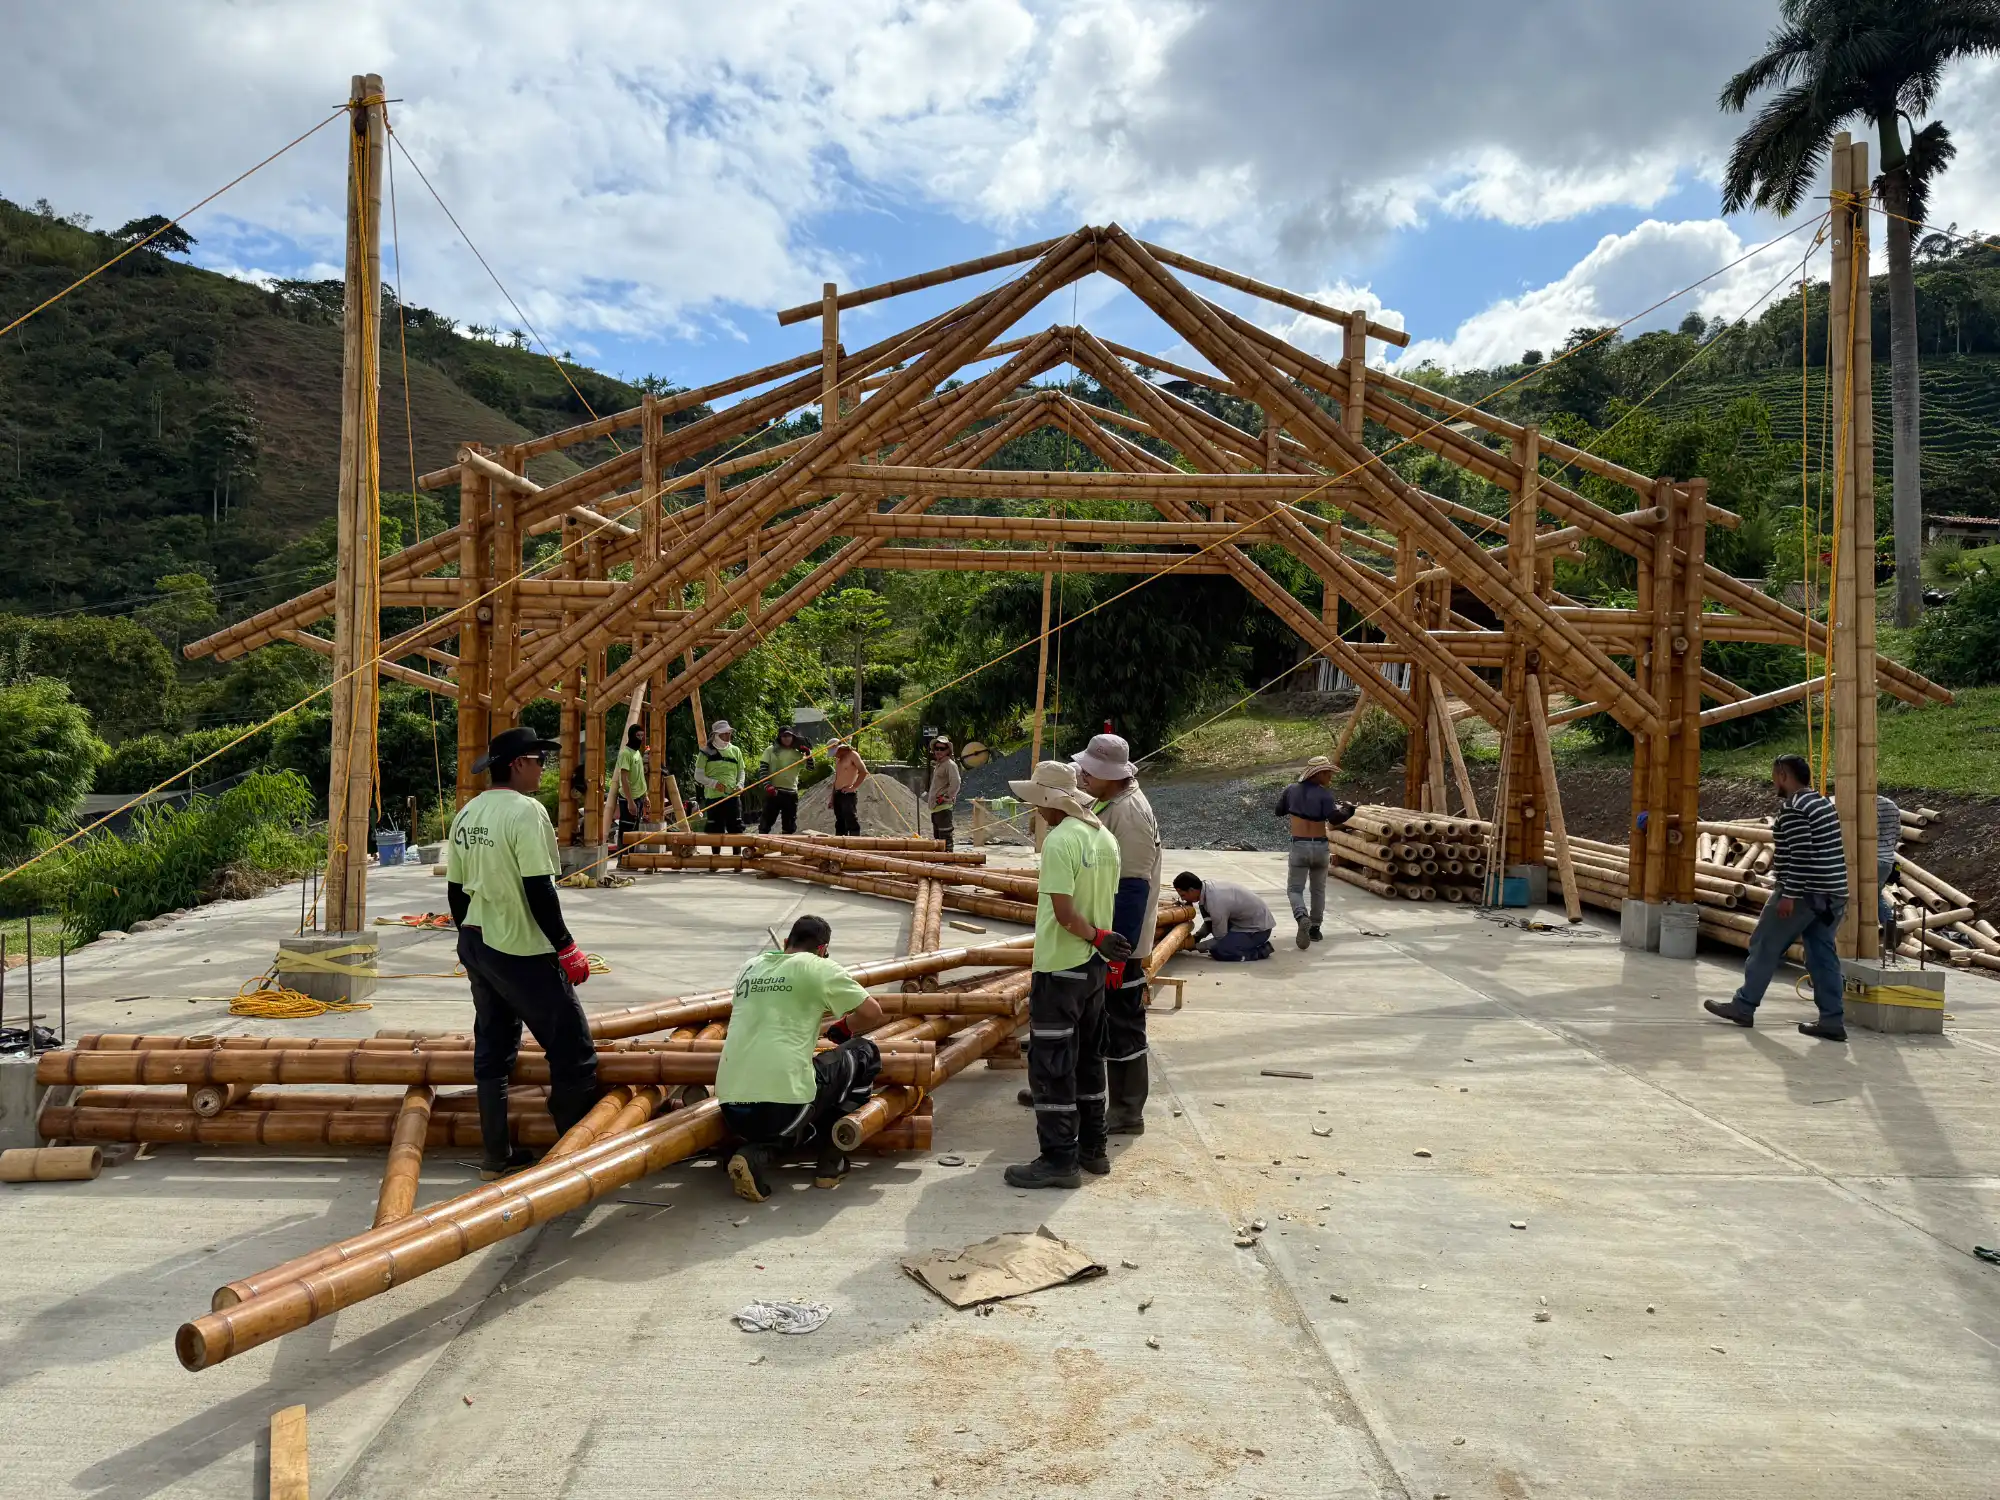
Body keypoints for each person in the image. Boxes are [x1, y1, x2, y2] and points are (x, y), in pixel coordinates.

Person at [446, 726, 600, 1179]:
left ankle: (497, 1156)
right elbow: (538, 888)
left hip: (477, 941)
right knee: (573, 1052)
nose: (542, 769)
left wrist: (468, 941)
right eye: (539, 760)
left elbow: (455, 891)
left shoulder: (468, 814)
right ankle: (575, 1159)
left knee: (493, 1052)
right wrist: (566, 946)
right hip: (520, 947)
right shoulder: (526, 812)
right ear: (518, 763)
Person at [1003, 761, 1131, 1190]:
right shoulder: (1105, 838)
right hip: (1093, 971)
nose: (1035, 811)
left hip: (1061, 967)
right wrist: (1101, 941)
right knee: (1089, 1058)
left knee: (1052, 1065)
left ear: (1048, 803)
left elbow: (1064, 913)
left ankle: (1058, 1160)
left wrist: (1094, 936)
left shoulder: (1060, 840)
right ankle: (1093, 1149)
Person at [717, 914, 886, 1201]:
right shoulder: (819, 967)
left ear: (785, 943)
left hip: (732, 1110)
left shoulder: (750, 967)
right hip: (782, 1108)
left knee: (794, 1105)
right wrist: (845, 1027)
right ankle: (832, 1159)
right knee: (864, 1052)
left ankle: (754, 1153)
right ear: (822, 950)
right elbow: (873, 1013)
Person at [1703, 753, 1849, 1041]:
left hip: (1804, 893)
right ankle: (1832, 1020)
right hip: (1832, 893)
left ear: (1783, 774)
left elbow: (1802, 856)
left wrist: (1789, 895)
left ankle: (1743, 1006)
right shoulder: (1820, 803)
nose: (1774, 782)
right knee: (1821, 956)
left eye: (1774, 776)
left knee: (1764, 944)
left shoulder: (1795, 808)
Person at [1073, 732, 1160, 1135]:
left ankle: (1128, 1109)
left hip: (1118, 940)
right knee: (1096, 1020)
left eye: (1091, 770)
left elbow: (1133, 890)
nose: (1084, 776)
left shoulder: (1129, 815)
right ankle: (1079, 1091)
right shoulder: (1112, 802)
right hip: (1101, 937)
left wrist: (1117, 955)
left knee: (1124, 1021)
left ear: (1112, 774)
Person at [1272, 755, 1355, 949]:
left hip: (1299, 846)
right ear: (1316, 774)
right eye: (1327, 773)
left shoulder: (1290, 790)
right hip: (1320, 847)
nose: (1330, 777)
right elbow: (1334, 819)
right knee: (1318, 890)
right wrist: (1349, 811)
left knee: (1294, 889)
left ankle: (1302, 917)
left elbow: (1278, 811)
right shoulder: (1324, 795)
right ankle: (1315, 929)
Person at [1172, 871, 1275, 962]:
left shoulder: (1215, 902)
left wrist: (1194, 946)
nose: (1183, 899)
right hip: (1242, 922)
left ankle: (1260, 952)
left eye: (1183, 895)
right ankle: (1238, 942)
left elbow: (1219, 938)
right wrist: (1197, 937)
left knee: (1220, 951)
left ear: (1192, 890)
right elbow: (1210, 922)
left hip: (1258, 930)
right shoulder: (1205, 889)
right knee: (1216, 933)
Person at [693, 719, 747, 850]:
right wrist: (714, 783)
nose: (728, 736)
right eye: (724, 734)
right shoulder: (705, 752)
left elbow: (741, 771)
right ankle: (715, 859)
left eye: (729, 733)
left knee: (736, 827)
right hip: (714, 797)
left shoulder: (736, 751)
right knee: (715, 829)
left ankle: (736, 859)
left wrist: (740, 785)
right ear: (716, 735)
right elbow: (698, 775)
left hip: (733, 796)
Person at [758, 725, 811, 835]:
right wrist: (767, 786)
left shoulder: (797, 753)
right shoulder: (770, 750)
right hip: (774, 791)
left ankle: (786, 850)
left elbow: (810, 768)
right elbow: (763, 770)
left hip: (791, 792)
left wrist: (808, 754)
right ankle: (759, 846)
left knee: (789, 824)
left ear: (793, 737)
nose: (787, 738)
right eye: (784, 736)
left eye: (789, 736)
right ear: (779, 738)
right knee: (766, 821)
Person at [611, 723, 649, 850]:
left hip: (639, 797)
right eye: (638, 735)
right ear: (631, 736)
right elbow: (624, 778)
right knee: (626, 830)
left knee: (634, 830)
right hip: (629, 798)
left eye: (642, 736)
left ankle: (631, 858)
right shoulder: (626, 753)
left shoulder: (637, 752)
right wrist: (630, 802)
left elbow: (640, 777)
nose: (640, 738)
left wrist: (645, 796)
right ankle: (623, 859)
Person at [926, 735, 962, 850]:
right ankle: (940, 861)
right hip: (936, 807)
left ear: (948, 751)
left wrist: (946, 796)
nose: (938, 751)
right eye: (937, 748)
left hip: (943, 806)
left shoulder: (950, 765)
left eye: (942, 749)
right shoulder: (939, 765)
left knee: (945, 837)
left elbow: (956, 783)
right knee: (938, 838)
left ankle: (948, 862)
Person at [1876, 791, 1901, 956]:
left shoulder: (1865, 806)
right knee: (1875, 896)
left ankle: (1889, 929)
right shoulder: (1891, 805)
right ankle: (1891, 927)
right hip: (1887, 861)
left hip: (1869, 859)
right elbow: (1898, 834)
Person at [829, 740, 868, 836]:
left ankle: (855, 843)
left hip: (848, 794)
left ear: (840, 749)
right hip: (838, 793)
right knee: (840, 821)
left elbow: (863, 772)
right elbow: (837, 779)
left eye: (835, 753)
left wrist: (853, 787)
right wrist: (832, 798)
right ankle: (840, 843)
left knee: (850, 819)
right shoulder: (838, 759)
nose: (835, 755)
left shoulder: (853, 755)